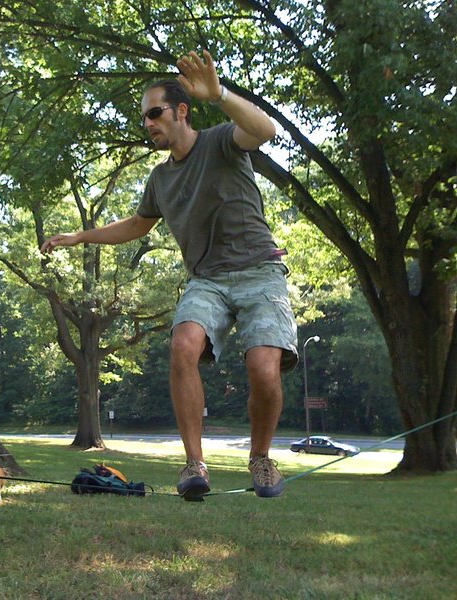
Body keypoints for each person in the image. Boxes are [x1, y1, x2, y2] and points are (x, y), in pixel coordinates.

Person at [40, 50, 298, 500]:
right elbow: (137, 226)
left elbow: (265, 130)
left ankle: (260, 458)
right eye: (143, 119)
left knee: (263, 367)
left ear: (182, 111)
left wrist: (218, 94)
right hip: (207, 281)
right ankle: (194, 465)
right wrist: (80, 236)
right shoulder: (160, 179)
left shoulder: (221, 141)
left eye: (154, 113)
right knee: (183, 344)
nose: (148, 124)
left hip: (260, 270)